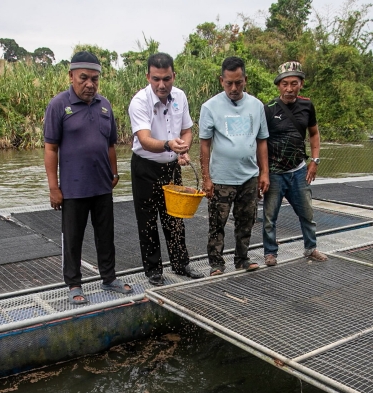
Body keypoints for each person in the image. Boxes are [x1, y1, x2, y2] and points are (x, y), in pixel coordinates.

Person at [44, 51, 132, 304]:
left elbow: (111, 144)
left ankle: (109, 277)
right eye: (83, 78)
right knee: (73, 238)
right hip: (73, 188)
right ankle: (73, 284)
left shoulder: (105, 105)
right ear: (71, 76)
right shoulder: (59, 105)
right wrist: (54, 188)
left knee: (106, 235)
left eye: (95, 78)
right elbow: (50, 148)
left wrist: (114, 173)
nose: (89, 84)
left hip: (102, 185)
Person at [127, 52, 203, 286]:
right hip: (145, 167)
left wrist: (184, 148)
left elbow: (187, 129)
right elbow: (144, 139)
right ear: (148, 76)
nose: (162, 85)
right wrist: (170, 144)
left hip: (171, 167)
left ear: (174, 76)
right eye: (157, 79)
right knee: (148, 220)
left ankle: (181, 264)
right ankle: (153, 270)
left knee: (175, 217)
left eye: (167, 79)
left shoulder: (180, 96)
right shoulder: (139, 102)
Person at [199, 56, 270, 275]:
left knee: (246, 221)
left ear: (245, 80)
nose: (233, 88)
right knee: (217, 224)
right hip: (221, 178)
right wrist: (207, 178)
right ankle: (216, 263)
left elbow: (262, 141)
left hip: (248, 176)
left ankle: (242, 259)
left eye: (238, 82)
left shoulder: (256, 106)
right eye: (229, 83)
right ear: (221, 80)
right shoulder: (210, 107)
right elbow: (204, 145)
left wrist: (264, 173)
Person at [261, 61, 326, 266]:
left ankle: (310, 248)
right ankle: (270, 252)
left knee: (307, 213)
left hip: (299, 170)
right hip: (275, 172)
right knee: (270, 217)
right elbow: (261, 142)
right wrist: (262, 173)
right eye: (285, 84)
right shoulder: (269, 109)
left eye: (294, 83)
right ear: (278, 85)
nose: (289, 88)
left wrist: (314, 161)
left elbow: (314, 134)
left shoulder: (307, 106)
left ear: (301, 84)